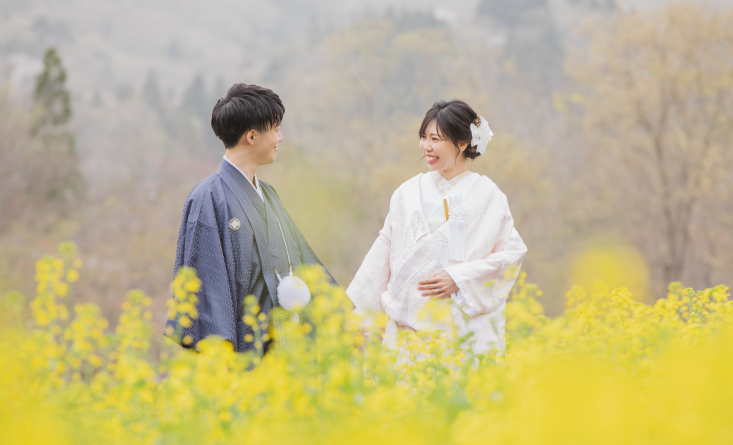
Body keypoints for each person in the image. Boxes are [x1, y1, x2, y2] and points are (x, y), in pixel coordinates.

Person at [347, 99, 527, 352]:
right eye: (423, 137)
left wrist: (459, 278)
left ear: (462, 144)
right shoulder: (406, 193)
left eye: (436, 139)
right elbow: (384, 251)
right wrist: (363, 317)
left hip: (459, 329)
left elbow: (511, 256)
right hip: (404, 331)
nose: (426, 147)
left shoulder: (489, 196)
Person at [166, 83, 334, 353]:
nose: (280, 138)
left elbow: (303, 260)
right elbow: (206, 289)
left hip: (285, 352)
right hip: (244, 359)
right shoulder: (208, 198)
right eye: (276, 129)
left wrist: (339, 316)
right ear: (252, 136)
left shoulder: (268, 194)